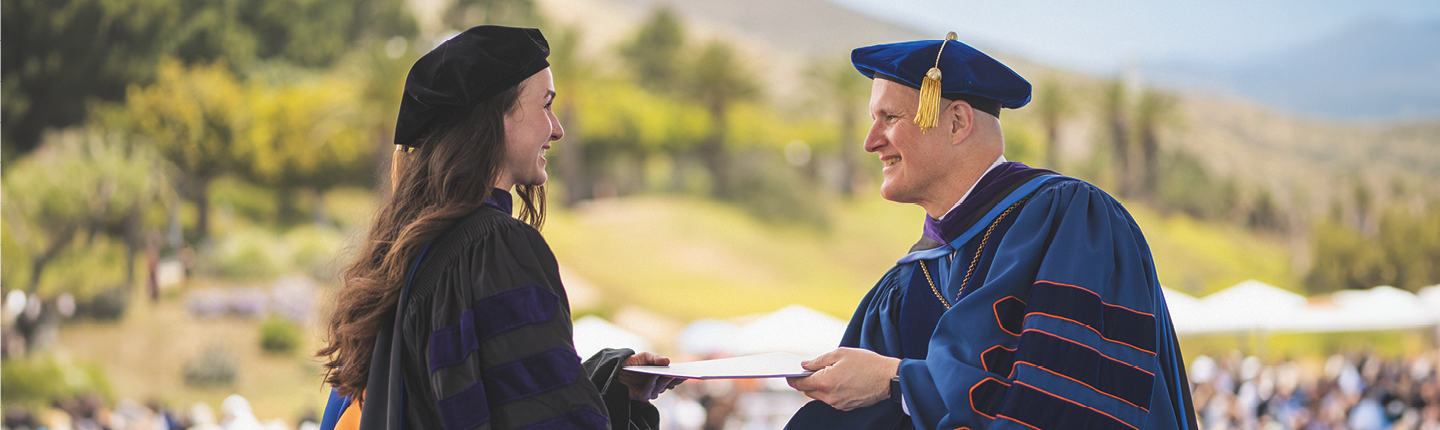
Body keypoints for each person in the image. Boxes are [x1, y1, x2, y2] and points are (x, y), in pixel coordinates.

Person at [784, 33, 1199, 430]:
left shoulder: (1074, 225)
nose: (870, 142)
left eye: (889, 118)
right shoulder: (908, 281)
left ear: (957, 123)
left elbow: (1065, 401)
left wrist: (896, 381)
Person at [315, 26, 680, 430]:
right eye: (545, 106)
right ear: (495, 117)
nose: (556, 129)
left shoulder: (408, 250)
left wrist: (610, 379)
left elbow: (481, 402)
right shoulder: (494, 248)